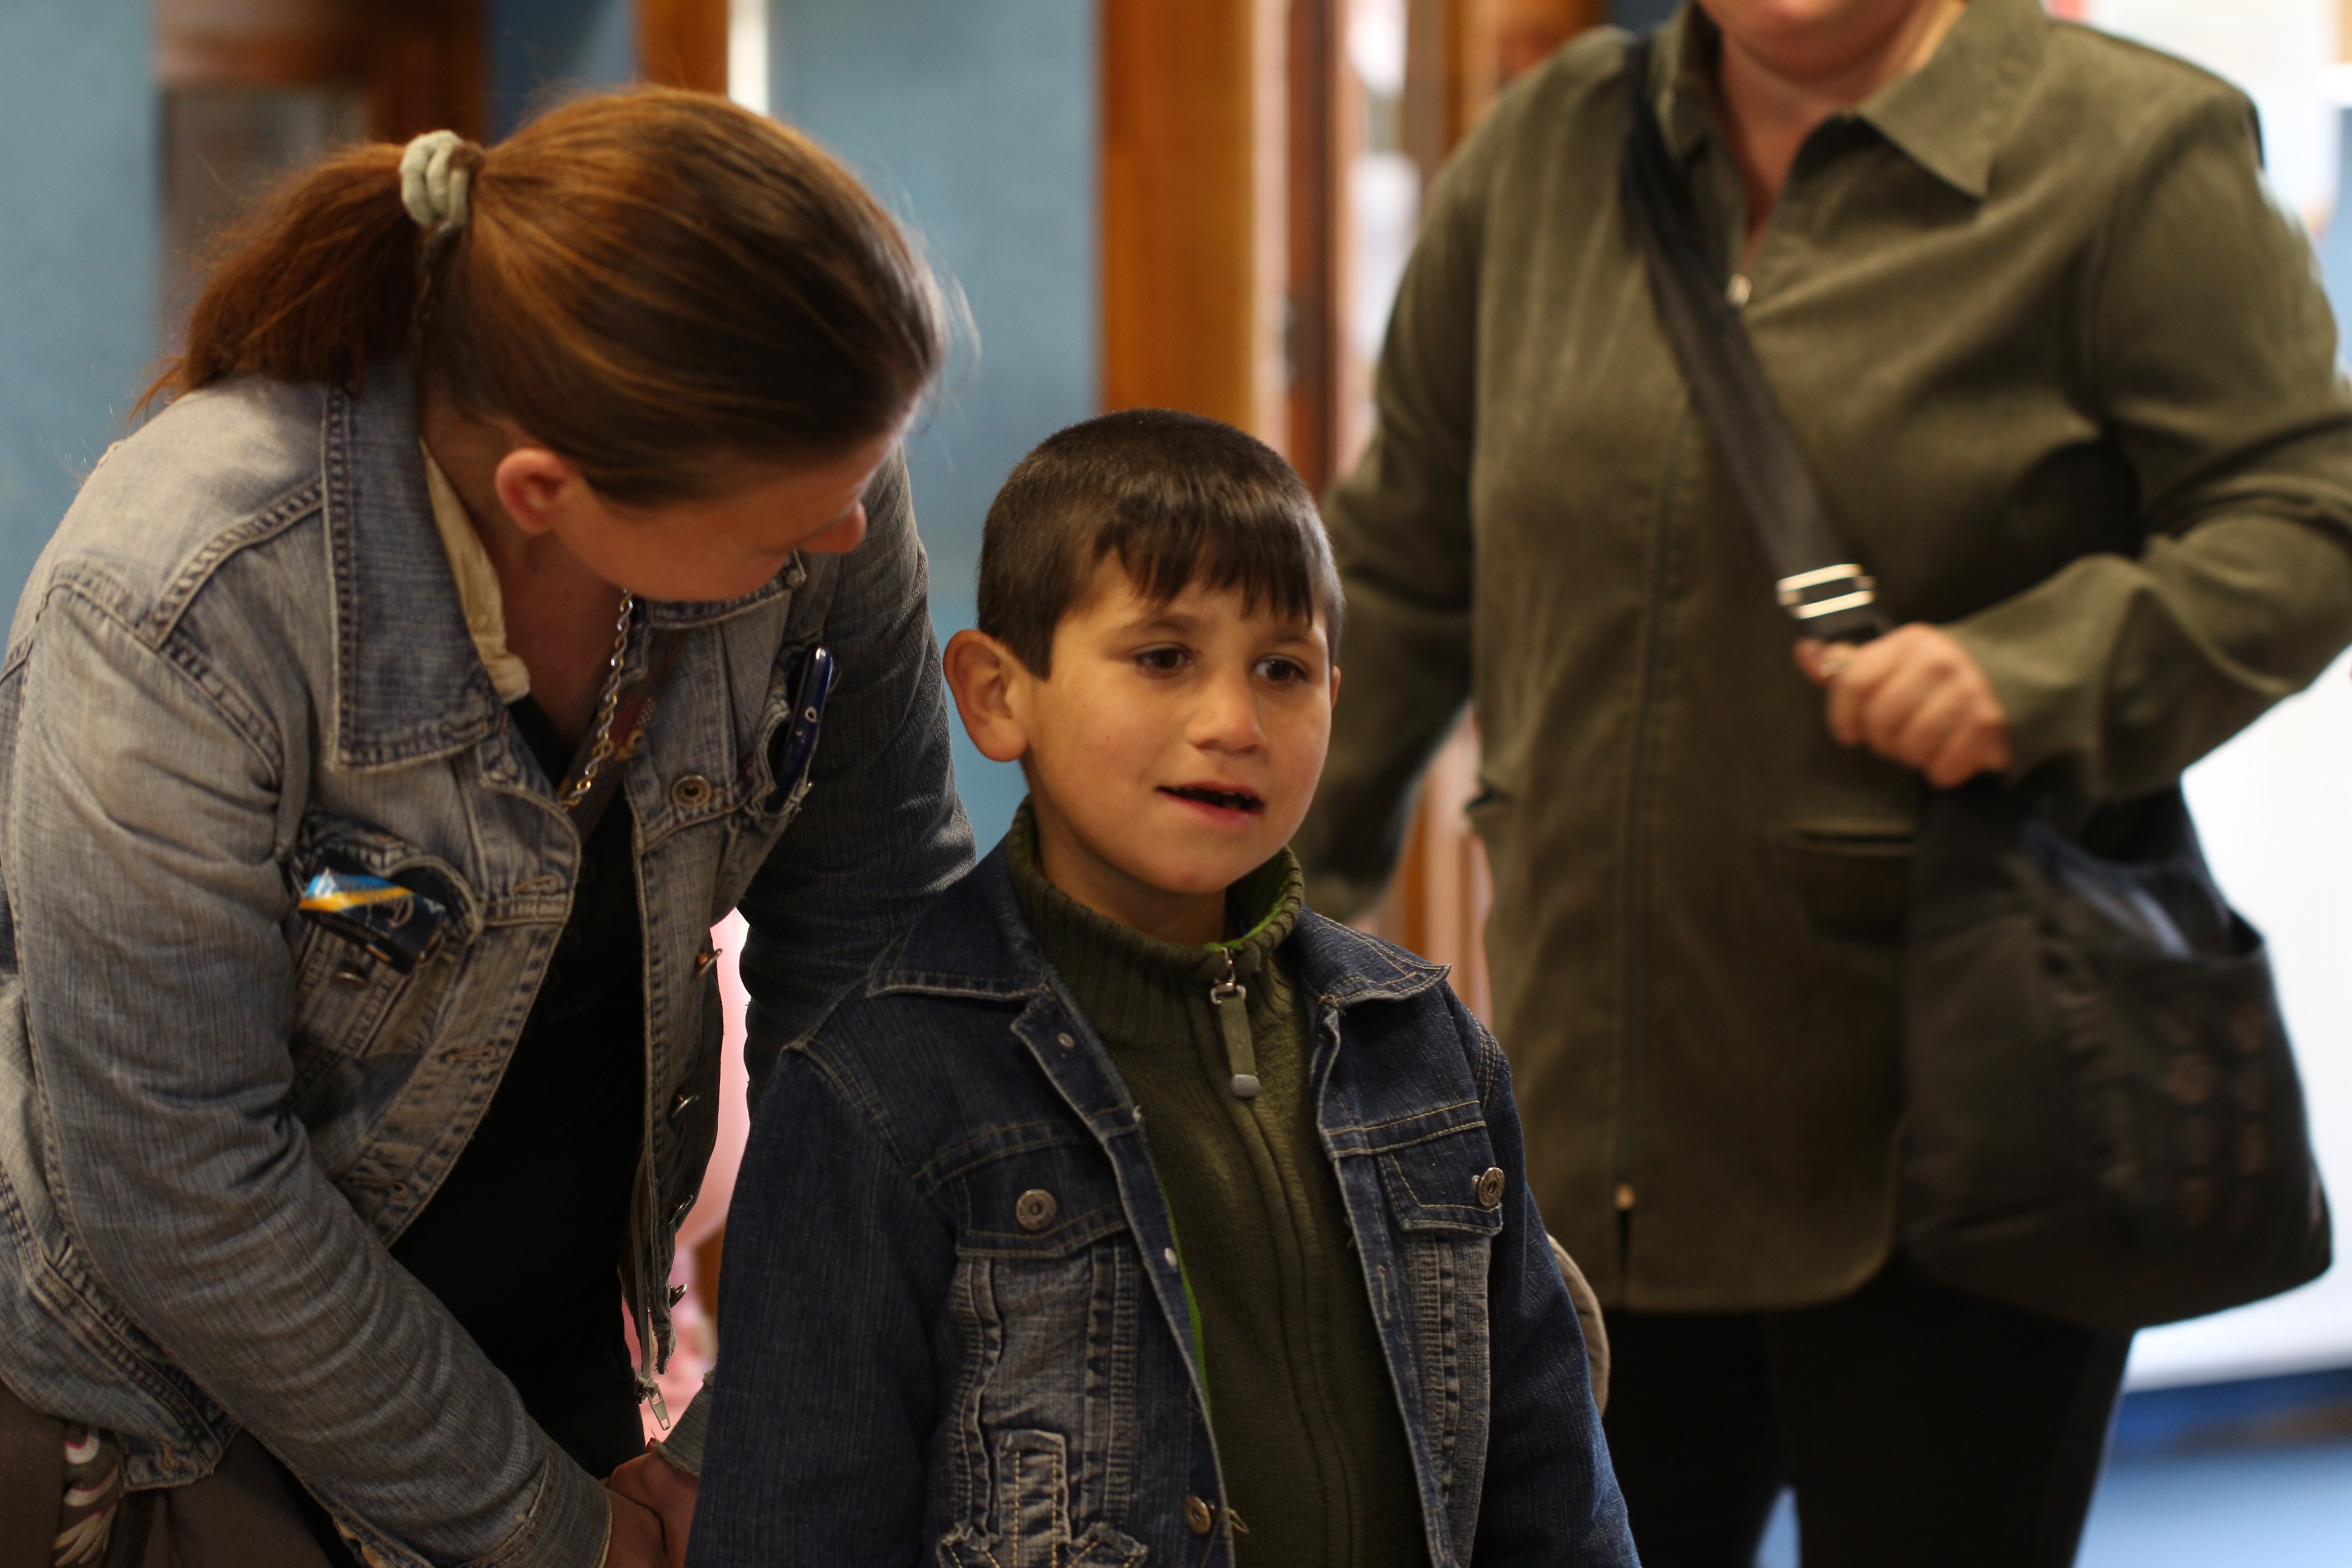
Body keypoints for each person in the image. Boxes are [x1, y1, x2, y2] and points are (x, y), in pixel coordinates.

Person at [1292, 0, 2352, 1564]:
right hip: (1588, 1134)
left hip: (1967, 1138)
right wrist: (1253, 925)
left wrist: (2033, 673)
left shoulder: (2128, 150)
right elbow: (1394, 574)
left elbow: (2306, 517)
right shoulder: (1541, 153)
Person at [0, 90, 971, 1568]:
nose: (843, 535)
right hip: (174, 1416)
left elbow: (878, 938)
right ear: (544, 493)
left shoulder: (805, 475)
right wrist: (549, 1528)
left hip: (564, 1355)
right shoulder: (180, 599)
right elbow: (181, 1186)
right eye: (788, 526)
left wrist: (748, 1426)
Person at [684, 409, 1634, 1568]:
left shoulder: (1427, 1049)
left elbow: (1555, 1496)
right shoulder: (874, 1093)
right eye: (1164, 657)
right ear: (996, 694)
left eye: (1283, 670)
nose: (1234, 723)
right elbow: (794, 1528)